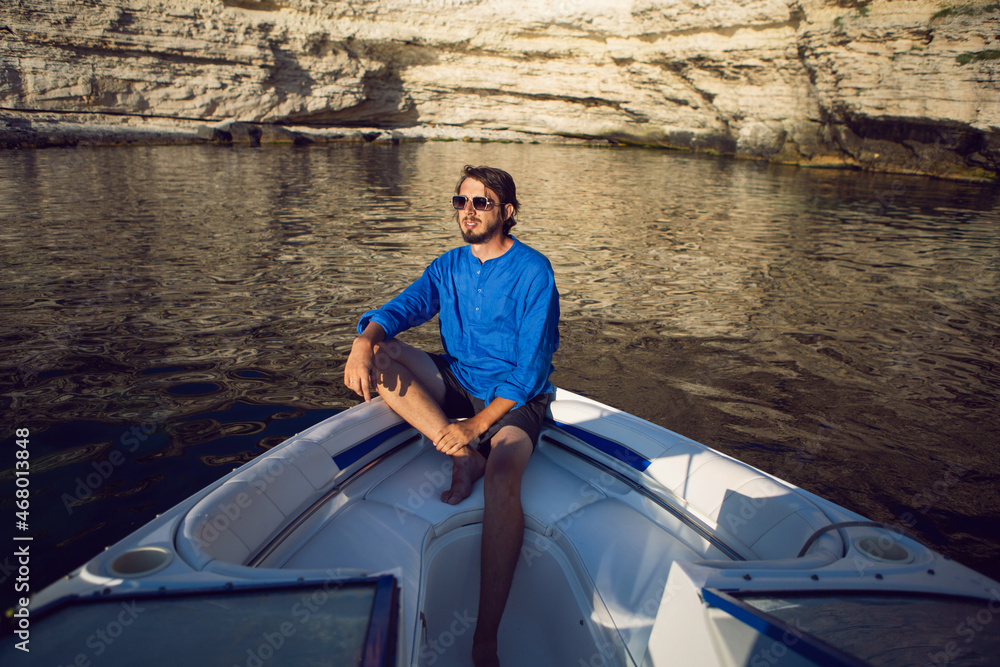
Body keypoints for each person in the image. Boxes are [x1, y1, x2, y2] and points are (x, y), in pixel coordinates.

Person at [343, 164, 559, 667]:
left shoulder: (534, 270)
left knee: (503, 479)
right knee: (382, 353)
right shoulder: (448, 266)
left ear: (506, 212)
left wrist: (479, 426)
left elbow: (530, 368)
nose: (468, 211)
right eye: (461, 201)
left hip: (515, 399)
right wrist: (363, 340)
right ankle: (460, 453)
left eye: (481, 203)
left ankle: (485, 637)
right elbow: (404, 307)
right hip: (460, 379)